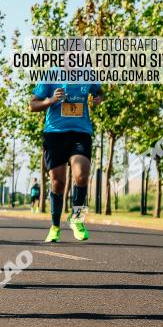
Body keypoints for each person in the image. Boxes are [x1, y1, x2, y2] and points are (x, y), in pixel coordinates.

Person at [30, 75, 103, 242]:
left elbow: (99, 91)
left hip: (81, 133)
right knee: (58, 183)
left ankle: (77, 219)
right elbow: (32, 105)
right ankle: (55, 226)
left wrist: (99, 98)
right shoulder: (50, 75)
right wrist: (51, 100)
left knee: (82, 175)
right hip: (55, 135)